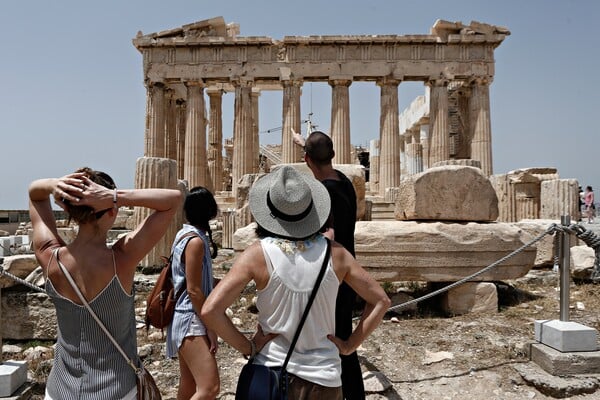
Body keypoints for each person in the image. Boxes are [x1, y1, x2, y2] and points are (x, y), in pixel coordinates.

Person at [201, 166, 390, 400]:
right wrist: (350, 345)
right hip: (324, 379)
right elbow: (381, 300)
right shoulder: (337, 255)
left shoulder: (257, 255)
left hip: (271, 374)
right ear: (311, 211)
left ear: (271, 212)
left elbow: (210, 310)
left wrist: (247, 346)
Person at [28, 167, 181, 399]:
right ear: (111, 211)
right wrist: (114, 197)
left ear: (68, 209)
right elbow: (173, 200)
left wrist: (54, 184)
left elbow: (35, 194)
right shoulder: (122, 259)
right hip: (114, 390)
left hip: (60, 390)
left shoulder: (49, 257)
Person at [293, 129, 364, 399]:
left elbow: (322, 237)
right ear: (333, 155)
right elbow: (321, 155)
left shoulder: (322, 195)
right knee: (345, 343)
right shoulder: (344, 182)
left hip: (328, 279)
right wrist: (306, 143)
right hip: (348, 274)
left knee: (329, 347)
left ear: (306, 159)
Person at [166, 187, 220, 400]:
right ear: (211, 211)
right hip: (191, 320)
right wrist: (211, 326)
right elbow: (194, 290)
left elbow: (197, 280)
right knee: (210, 388)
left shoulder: (184, 234)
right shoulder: (195, 242)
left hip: (183, 317)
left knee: (189, 387)